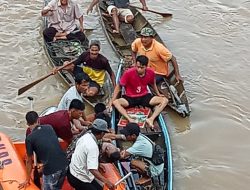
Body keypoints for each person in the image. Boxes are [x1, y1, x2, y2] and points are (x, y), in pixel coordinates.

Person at [109, 55, 168, 128]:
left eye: (141, 67)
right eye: (138, 67)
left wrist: (158, 94)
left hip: (144, 96)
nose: (139, 69)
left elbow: (153, 83)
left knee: (164, 100)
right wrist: (112, 100)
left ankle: (151, 119)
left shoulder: (151, 72)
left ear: (146, 66)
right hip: (130, 97)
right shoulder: (128, 73)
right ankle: (130, 119)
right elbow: (119, 86)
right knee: (116, 102)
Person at [19, 111, 68, 189]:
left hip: (52, 171)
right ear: (38, 120)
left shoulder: (29, 138)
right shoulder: (49, 127)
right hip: (65, 165)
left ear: (27, 124)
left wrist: (27, 179)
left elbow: (28, 161)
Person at [67, 119, 115, 190]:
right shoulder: (92, 146)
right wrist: (107, 182)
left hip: (71, 171)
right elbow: (92, 170)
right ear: (102, 133)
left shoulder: (85, 136)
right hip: (78, 178)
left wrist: (96, 163)